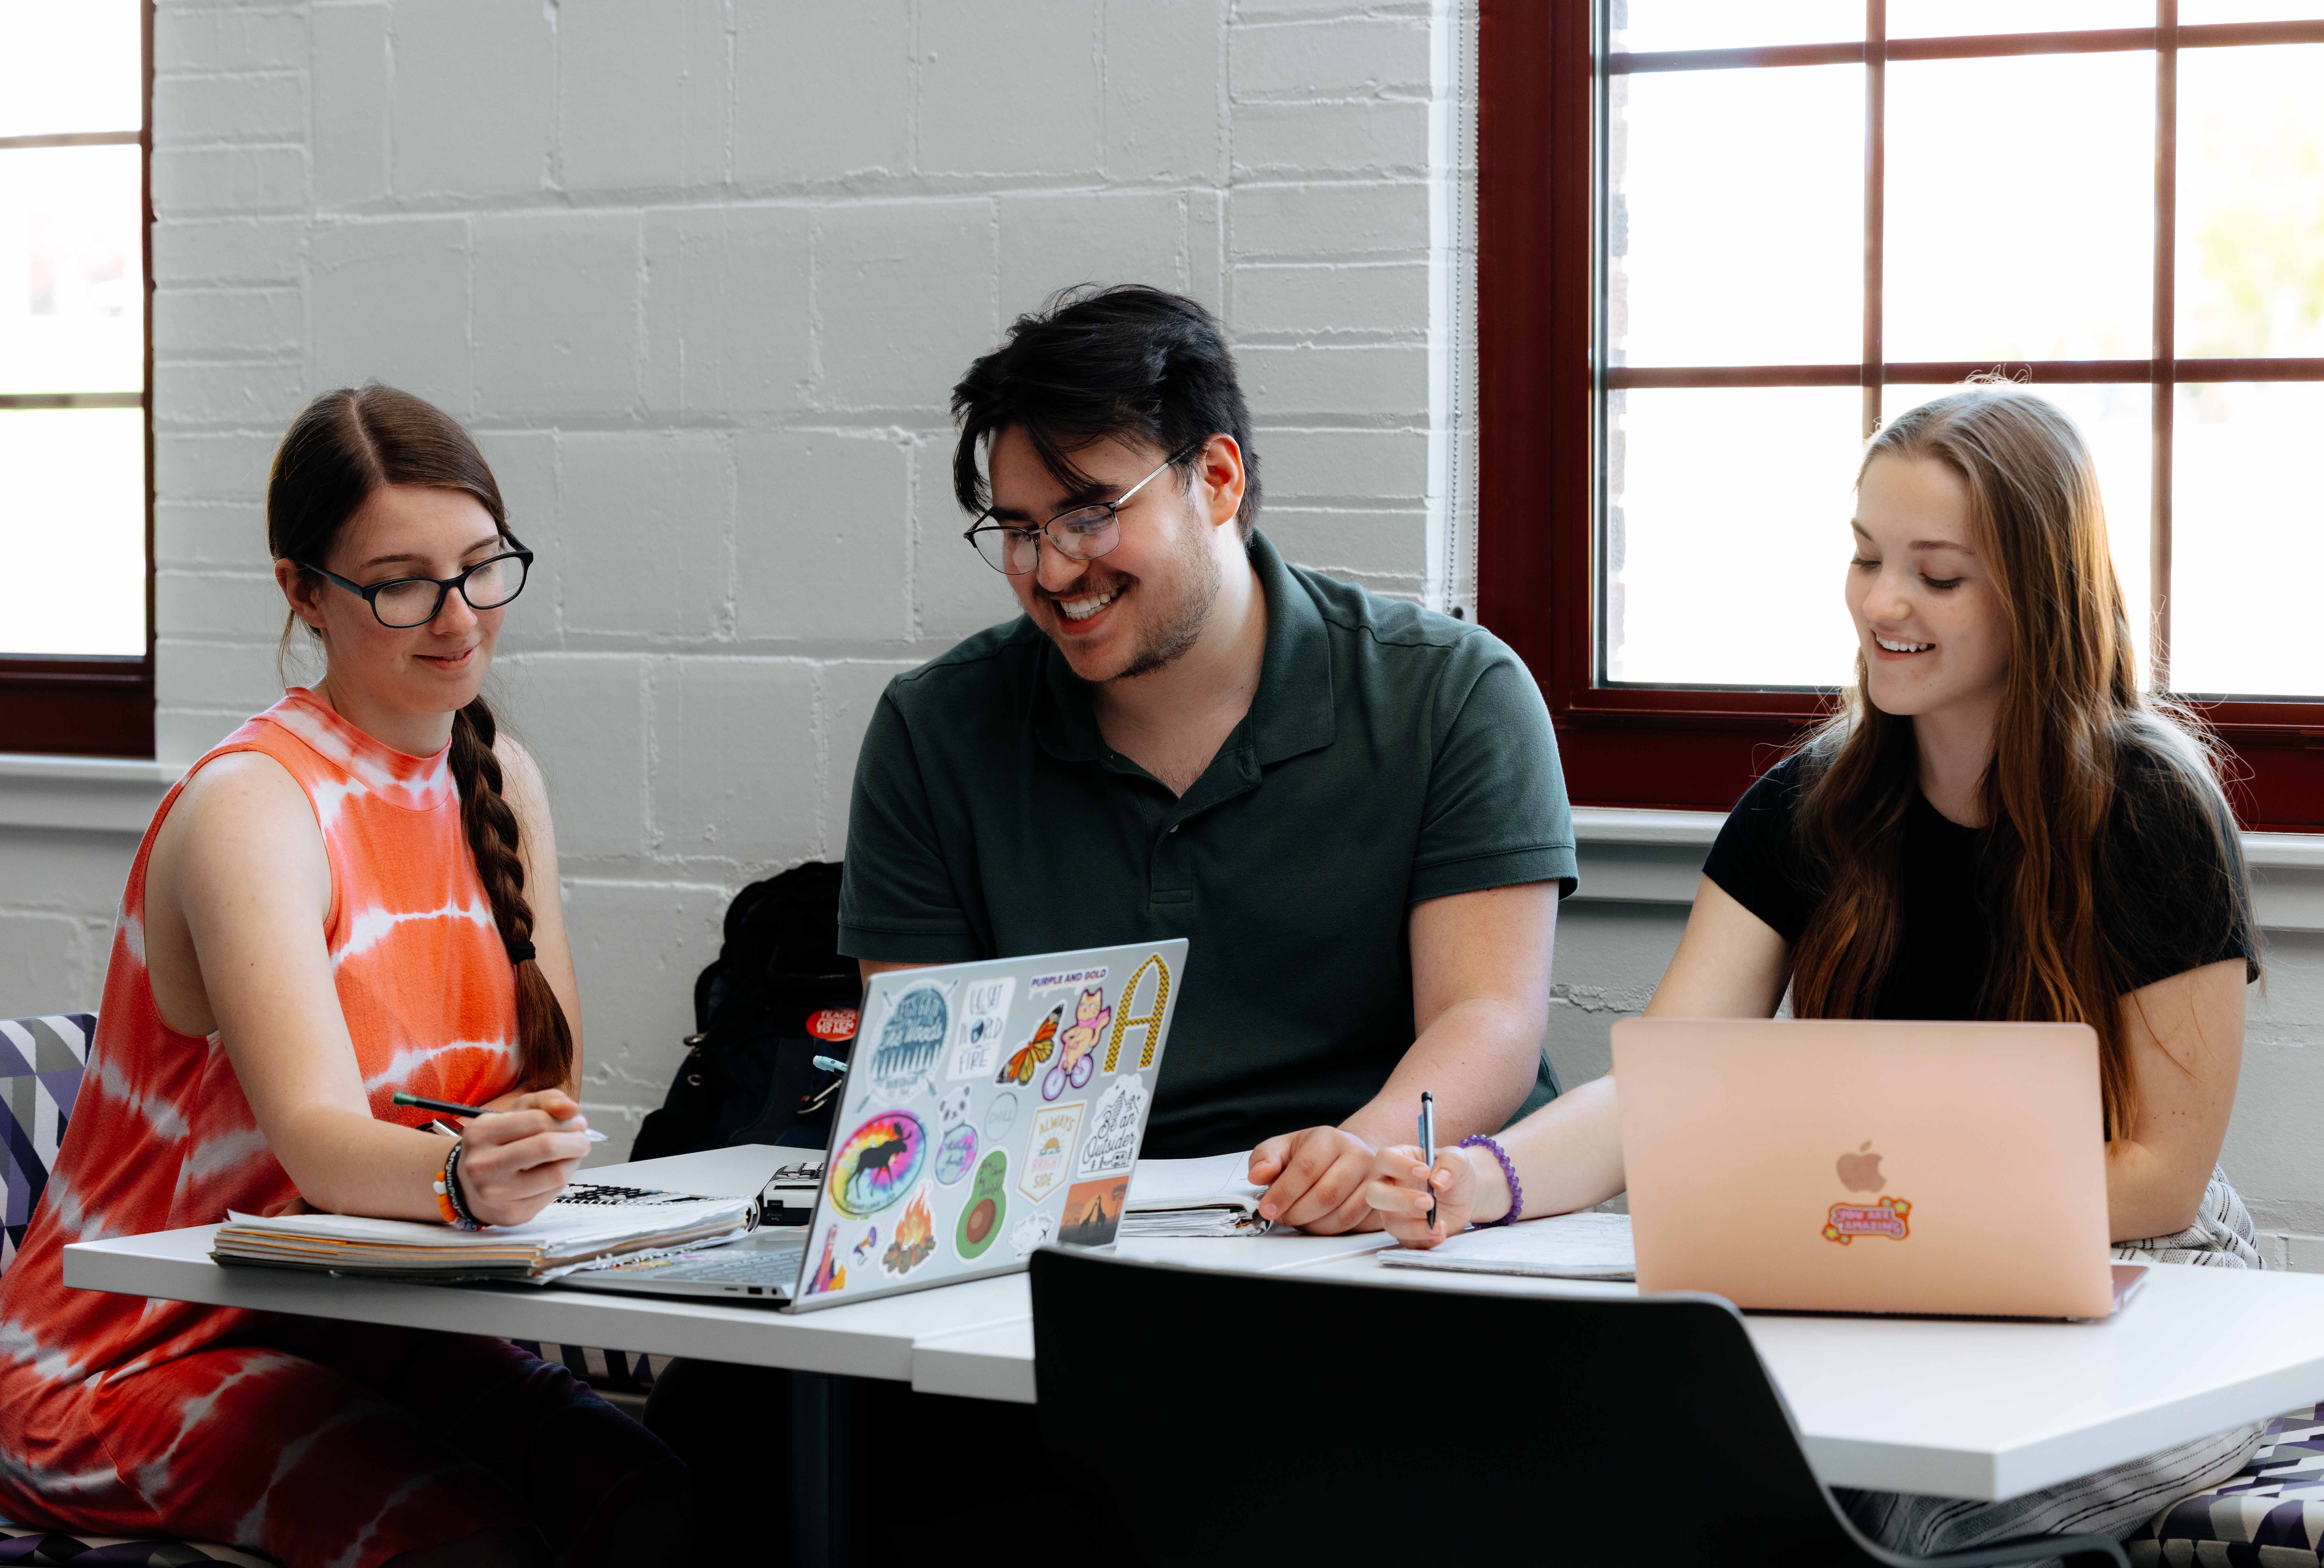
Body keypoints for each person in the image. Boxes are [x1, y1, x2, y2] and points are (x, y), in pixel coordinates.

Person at [646, 284, 1576, 1561]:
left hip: (1374, 1257)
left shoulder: (1449, 695)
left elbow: (1488, 1019)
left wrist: (1354, 1160)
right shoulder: (936, 729)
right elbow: (929, 1069)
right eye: (1015, 529)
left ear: (1216, 478)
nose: (1049, 571)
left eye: (1088, 513)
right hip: (1069, 1274)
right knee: (720, 1431)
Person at [1367, 384, 2264, 1556]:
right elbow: (1662, 1088)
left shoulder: (2151, 809)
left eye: (1935, 576)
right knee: (1658, 1477)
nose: (1881, 603)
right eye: (1862, 557)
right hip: (1889, 1260)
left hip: (2144, 1278)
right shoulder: (1805, 805)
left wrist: (1862, 1210)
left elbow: (2157, 1178)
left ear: (2036, 595)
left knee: (1888, 1520)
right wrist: (1477, 1181)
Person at [0, 386, 692, 1568]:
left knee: (660, 1504)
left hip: (356, 1317)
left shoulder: (501, 777)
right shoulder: (254, 804)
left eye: (483, 567)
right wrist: (468, 1179)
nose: (458, 616)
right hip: (124, 1356)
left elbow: (542, 1089)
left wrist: (511, 1159)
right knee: (475, 1545)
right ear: (301, 589)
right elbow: (321, 1144)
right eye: (401, 581)